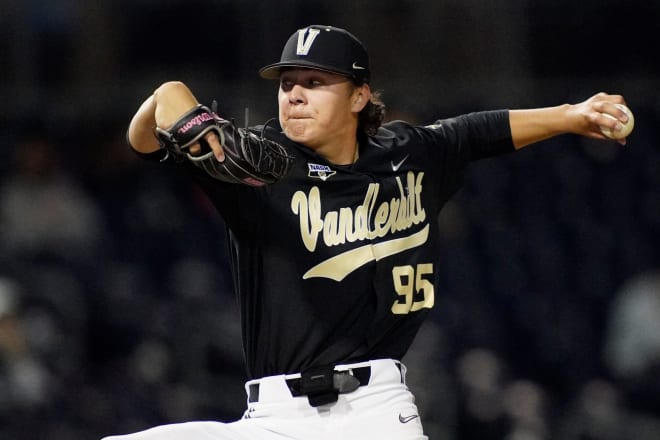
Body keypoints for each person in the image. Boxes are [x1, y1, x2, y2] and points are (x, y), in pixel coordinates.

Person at [106, 24, 632, 440]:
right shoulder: (260, 167)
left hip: (374, 412)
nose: (294, 95)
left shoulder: (406, 154)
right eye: (287, 83)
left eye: (315, 83)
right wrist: (172, 102)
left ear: (359, 97)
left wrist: (570, 115)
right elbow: (145, 139)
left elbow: (477, 132)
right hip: (269, 418)